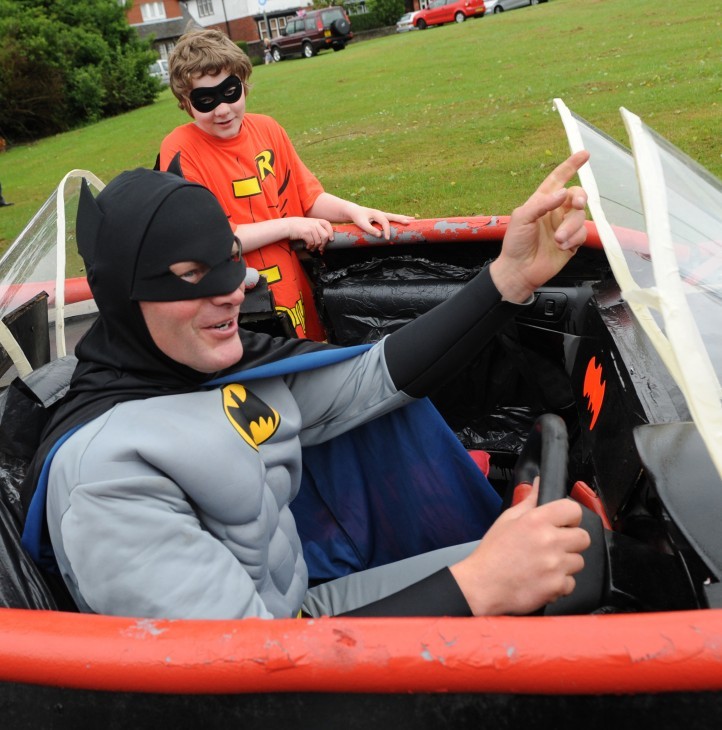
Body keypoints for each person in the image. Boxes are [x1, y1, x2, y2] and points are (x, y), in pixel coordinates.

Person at [30, 149, 591, 620]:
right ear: (125, 298)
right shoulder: (105, 480)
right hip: (279, 664)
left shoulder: (207, 365)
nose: (233, 291)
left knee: (588, 554)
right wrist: (481, 585)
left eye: (229, 260)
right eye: (190, 277)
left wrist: (511, 277)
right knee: (584, 586)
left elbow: (374, 380)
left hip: (304, 614)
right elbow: (237, 686)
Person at [159, 29, 414, 340]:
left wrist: (354, 210)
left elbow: (308, 198)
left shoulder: (268, 129)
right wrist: (290, 226)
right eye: (206, 100)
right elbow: (214, 242)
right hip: (239, 312)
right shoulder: (179, 149)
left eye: (230, 92)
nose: (223, 109)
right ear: (186, 102)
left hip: (294, 292)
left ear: (243, 83)